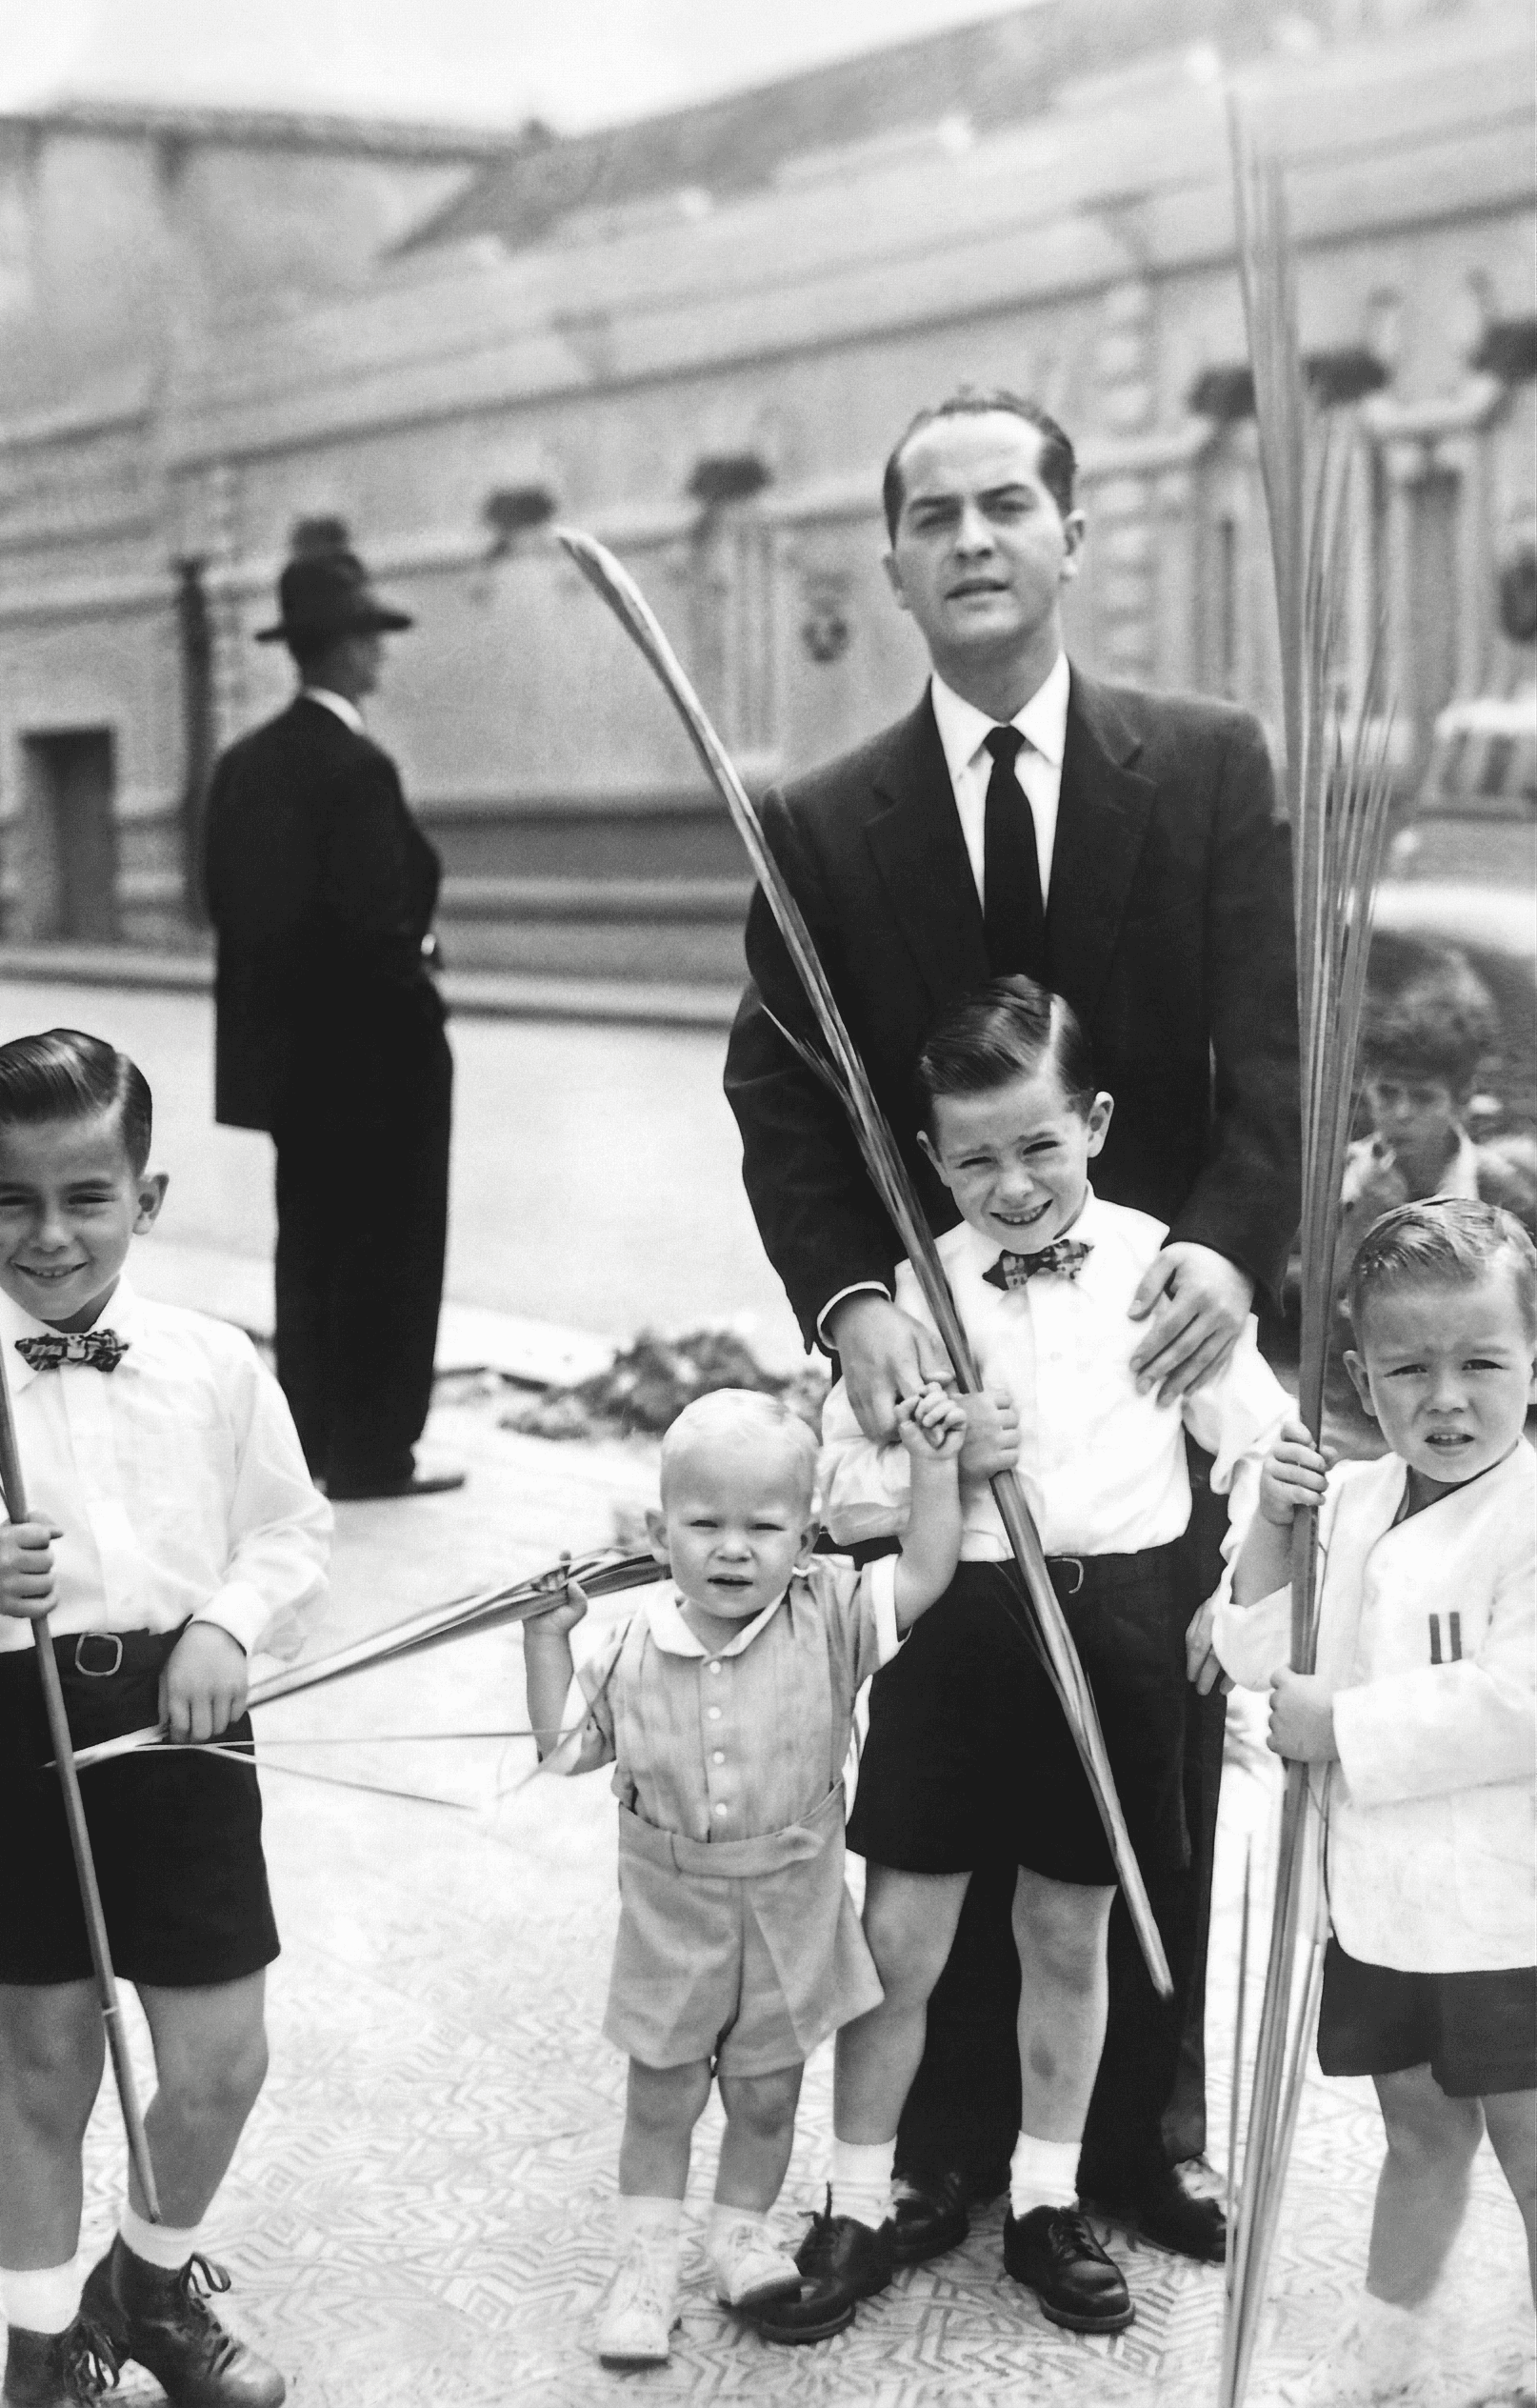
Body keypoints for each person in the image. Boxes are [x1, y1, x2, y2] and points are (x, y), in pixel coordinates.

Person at [723, 386, 1300, 2259]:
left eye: (1005, 506)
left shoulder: (1204, 763)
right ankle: (940, 2150)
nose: (970, 539)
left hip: (1150, 1365)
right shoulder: (819, 822)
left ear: (1070, 534)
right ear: (891, 562)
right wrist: (851, 1297)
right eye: (931, 515)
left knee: (1142, 1761)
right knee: (945, 1798)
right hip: (952, 1411)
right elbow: (786, 1103)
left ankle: (1143, 2133)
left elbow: (1273, 1058)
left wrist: (1222, 1246)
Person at [749, 978, 1288, 2342]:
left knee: (1068, 1930)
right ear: (934, 1159)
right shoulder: (917, 1292)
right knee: (903, 1936)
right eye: (977, 1156)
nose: (1014, 1182)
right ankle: (860, 2194)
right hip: (958, 1634)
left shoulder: (1163, 1269)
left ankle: (1049, 2197)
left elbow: (1256, 1439)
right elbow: (844, 1484)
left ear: (1096, 1125)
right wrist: (938, 1453)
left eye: (1040, 1144)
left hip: (1113, 1638)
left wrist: (1233, 1594)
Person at [0, 1030, 331, 2408]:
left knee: (222, 2062)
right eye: (8, 1198)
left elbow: (293, 1535)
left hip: (182, 1727)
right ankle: (40, 2356)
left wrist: (227, 1622)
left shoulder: (214, 1361)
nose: (49, 1236)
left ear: (146, 1201)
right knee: (48, 2069)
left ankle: (148, 2288)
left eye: (86, 1197)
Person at [521, 1383, 967, 2370]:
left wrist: (935, 1464)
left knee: (767, 2095)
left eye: (762, 1526)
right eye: (703, 1522)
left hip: (791, 1912)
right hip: (670, 1918)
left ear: (805, 1536)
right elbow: (559, 1749)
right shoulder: (627, 1648)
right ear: (657, 1528)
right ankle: (642, 2266)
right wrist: (544, 1637)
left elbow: (929, 1565)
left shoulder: (835, 1615)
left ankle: (739, 2234)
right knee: (663, 2094)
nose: (732, 1547)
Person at [1211, 1197, 1536, 2407]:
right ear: (1357, 1373)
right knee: (1415, 2126)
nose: (1444, 1398)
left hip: (1509, 1911)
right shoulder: (1347, 1499)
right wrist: (1267, 1527)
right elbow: (1247, 1651)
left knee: (1528, 2143)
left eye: (1479, 1363)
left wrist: (1337, 1725)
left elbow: (1518, 1701)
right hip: (1380, 1903)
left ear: (1533, 1357)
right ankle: (1382, 2349)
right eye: (1407, 1368)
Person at [204, 519, 462, 1502]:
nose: (380, 652)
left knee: (308, 1251)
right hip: (379, 1069)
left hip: (293, 1076)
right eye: (372, 637)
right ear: (348, 647)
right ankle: (374, 1451)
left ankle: (308, 1438)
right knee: (392, 1255)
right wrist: (422, 958)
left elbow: (223, 906)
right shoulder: (358, 770)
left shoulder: (244, 765)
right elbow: (378, 929)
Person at [1315, 952, 1537, 1460]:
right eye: (1387, 1093)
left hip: (1469, 1430)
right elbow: (1308, 1309)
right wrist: (1358, 1231)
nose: (1400, 1114)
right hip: (1354, 1423)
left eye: (1423, 1098)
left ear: (1460, 1103)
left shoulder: (1502, 1192)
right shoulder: (1342, 1182)